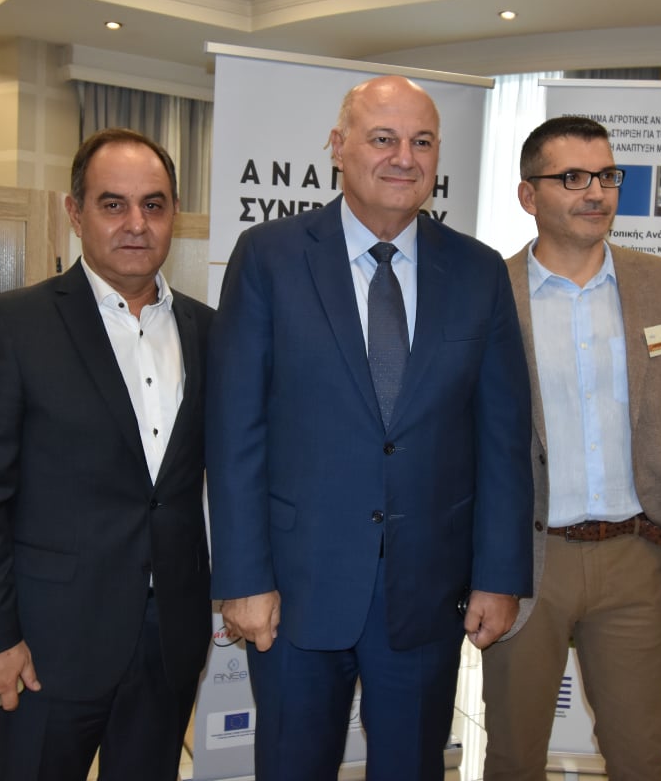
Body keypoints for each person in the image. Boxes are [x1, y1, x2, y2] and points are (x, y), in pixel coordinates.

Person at [206, 75, 533, 781]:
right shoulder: (268, 257)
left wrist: (499, 575)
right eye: (383, 138)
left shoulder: (478, 271)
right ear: (338, 146)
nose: (403, 157)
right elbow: (235, 433)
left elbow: (502, 439)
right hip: (295, 591)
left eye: (421, 141)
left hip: (427, 593)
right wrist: (243, 578)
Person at [0, 127, 214, 780]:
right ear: (75, 211)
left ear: (174, 214)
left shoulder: (209, 329)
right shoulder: (14, 326)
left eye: (153, 204)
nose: (136, 223)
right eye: (112, 204)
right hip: (45, 650)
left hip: (168, 642)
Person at [481, 116, 661, 781]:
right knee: (513, 755)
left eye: (605, 176)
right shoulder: (489, 293)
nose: (595, 192)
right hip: (526, 563)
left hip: (637, 556)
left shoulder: (660, 282)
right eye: (572, 177)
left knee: (642, 754)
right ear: (528, 195)